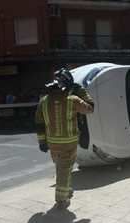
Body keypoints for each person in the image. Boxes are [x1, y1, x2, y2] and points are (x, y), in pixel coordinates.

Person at [35, 68, 94, 209]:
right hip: (69, 143)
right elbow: (90, 108)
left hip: (52, 143)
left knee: (61, 167)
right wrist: (81, 91)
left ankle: (66, 190)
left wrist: (42, 142)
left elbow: (39, 123)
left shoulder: (43, 101)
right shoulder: (73, 100)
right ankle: (61, 199)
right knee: (65, 169)